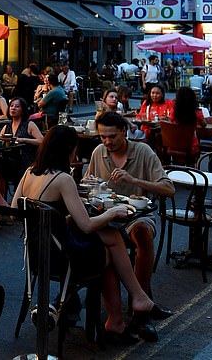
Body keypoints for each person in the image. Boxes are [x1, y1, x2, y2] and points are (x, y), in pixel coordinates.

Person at [14, 126, 157, 342]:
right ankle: (125, 311)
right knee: (108, 249)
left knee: (110, 238)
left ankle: (125, 310)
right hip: (62, 258)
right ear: (68, 150)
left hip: (35, 253)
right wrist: (112, 212)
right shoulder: (63, 179)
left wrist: (56, 219)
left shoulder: (29, 173)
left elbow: (16, 212)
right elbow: (87, 225)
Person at [86, 112, 175, 315]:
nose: (107, 142)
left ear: (124, 132)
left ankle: (142, 301)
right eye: (103, 137)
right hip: (106, 217)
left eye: (112, 137)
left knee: (142, 232)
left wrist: (134, 180)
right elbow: (88, 183)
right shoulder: (98, 152)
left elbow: (169, 189)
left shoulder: (143, 151)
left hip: (136, 215)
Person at [171, 86, 205, 159]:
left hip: (174, 145)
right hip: (191, 146)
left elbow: (170, 121)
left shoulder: (173, 111)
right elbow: (204, 124)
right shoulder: (196, 112)